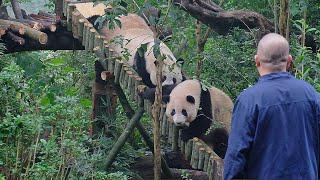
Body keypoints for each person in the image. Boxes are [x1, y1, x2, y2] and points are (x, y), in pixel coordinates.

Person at [223, 33, 320, 180]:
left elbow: (236, 155)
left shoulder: (249, 100)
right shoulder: (311, 94)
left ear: (257, 61)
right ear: (289, 61)